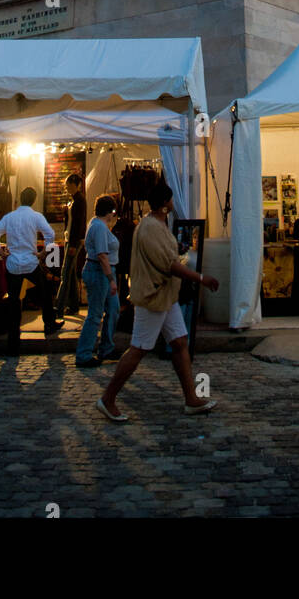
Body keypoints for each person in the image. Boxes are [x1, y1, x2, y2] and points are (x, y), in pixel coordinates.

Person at [97, 180, 219, 422]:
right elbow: (168, 264)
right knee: (139, 348)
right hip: (152, 296)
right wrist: (201, 278)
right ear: (164, 203)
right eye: (171, 199)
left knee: (180, 342)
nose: (173, 203)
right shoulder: (151, 227)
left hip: (165, 296)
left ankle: (191, 398)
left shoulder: (158, 225)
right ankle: (108, 398)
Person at [0, 187, 63, 354]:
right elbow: (49, 234)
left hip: (13, 264)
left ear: (20, 199)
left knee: (14, 302)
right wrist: (43, 253)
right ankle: (49, 323)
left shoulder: (9, 217)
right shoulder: (36, 216)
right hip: (30, 262)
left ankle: (13, 341)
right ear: (34, 200)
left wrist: (1, 253)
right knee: (44, 292)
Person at [76, 196, 122, 369]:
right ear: (110, 212)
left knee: (113, 308)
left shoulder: (96, 224)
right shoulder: (100, 228)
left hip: (102, 271)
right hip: (100, 272)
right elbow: (102, 255)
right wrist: (111, 279)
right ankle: (84, 354)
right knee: (95, 314)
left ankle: (106, 347)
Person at [55, 173, 86, 322]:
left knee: (65, 273)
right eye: (66, 184)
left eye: (69, 184)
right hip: (70, 239)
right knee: (71, 273)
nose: (67, 187)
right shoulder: (73, 200)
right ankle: (73, 306)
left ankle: (58, 307)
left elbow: (79, 223)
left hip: (74, 241)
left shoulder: (80, 200)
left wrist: (73, 243)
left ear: (76, 184)